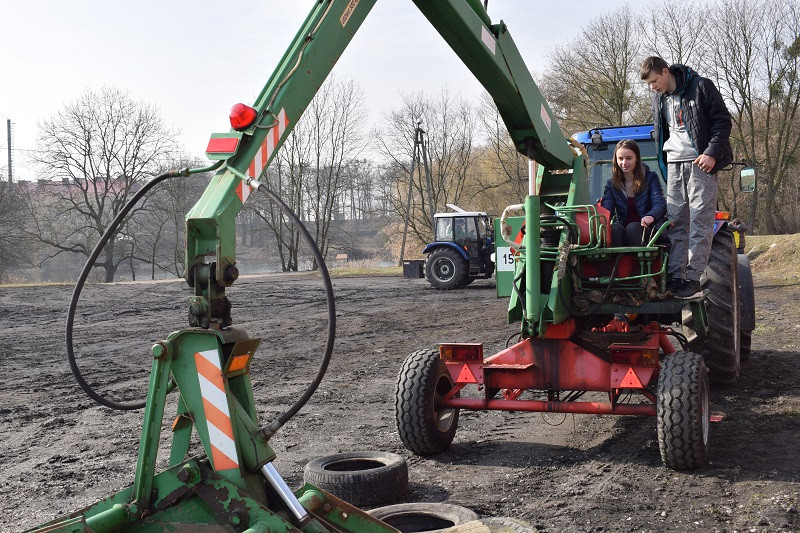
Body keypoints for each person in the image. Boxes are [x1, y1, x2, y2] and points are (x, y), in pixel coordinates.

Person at [640, 56, 733, 299]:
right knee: (676, 221)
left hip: (699, 162)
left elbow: (722, 122)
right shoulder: (659, 98)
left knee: (701, 220)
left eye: (654, 81)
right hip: (673, 163)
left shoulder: (701, 86)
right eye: (649, 84)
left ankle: (693, 278)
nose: (652, 87)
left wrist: (712, 153)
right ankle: (676, 277)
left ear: (665, 71)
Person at [600, 139, 667, 248]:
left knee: (632, 228)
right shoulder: (612, 184)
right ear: (615, 160)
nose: (624, 163)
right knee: (614, 229)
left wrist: (651, 216)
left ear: (637, 158)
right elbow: (607, 210)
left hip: (647, 231)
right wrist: (600, 220)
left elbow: (659, 203)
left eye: (629, 158)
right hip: (624, 232)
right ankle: (615, 263)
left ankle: (641, 262)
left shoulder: (650, 178)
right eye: (620, 159)